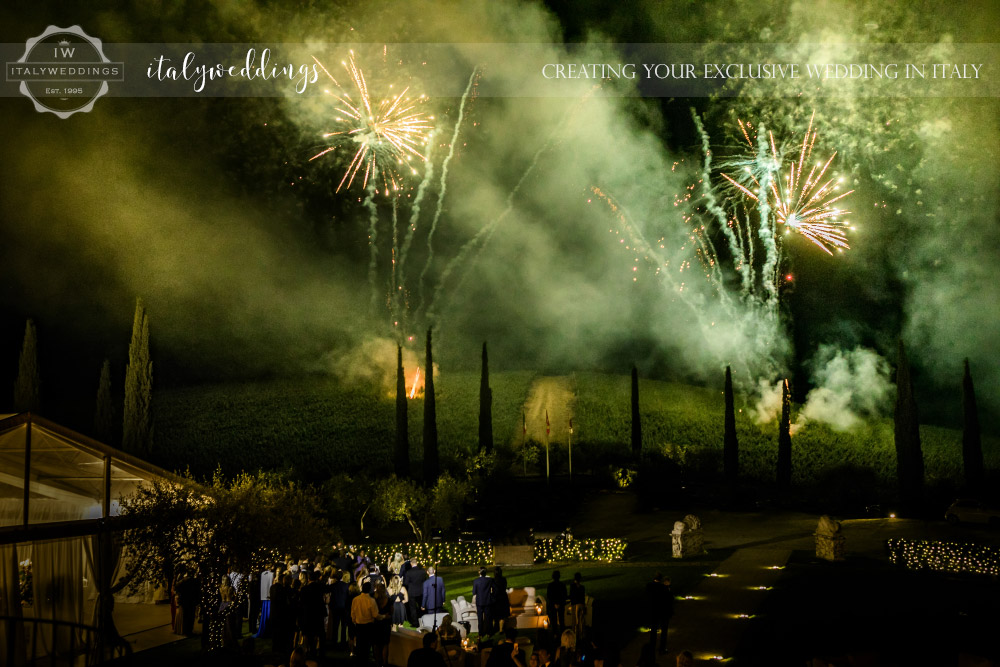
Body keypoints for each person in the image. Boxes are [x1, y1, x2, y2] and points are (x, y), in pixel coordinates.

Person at [351, 582, 380, 664]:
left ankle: (359, 659)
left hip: (359, 624)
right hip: (368, 625)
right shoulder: (371, 600)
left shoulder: (355, 599)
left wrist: (354, 620)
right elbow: (375, 614)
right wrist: (384, 617)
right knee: (367, 644)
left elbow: (353, 612)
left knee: (360, 643)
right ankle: (365, 660)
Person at [645, 573, 673, 654]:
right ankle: (662, 648)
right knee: (664, 631)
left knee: (653, 631)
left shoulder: (649, 585)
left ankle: (652, 647)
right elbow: (669, 599)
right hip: (662, 612)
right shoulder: (663, 587)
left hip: (653, 612)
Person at [174, 565, 199, 637]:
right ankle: (189, 631)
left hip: (185, 601)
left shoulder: (183, 581)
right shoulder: (194, 581)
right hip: (191, 601)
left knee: (186, 616)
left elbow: (177, 587)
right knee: (190, 617)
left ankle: (186, 631)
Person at [373, 583, 393, 667]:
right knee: (385, 644)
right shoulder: (389, 600)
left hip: (376, 624)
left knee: (376, 644)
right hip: (385, 624)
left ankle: (377, 661)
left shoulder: (374, 600)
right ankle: (385, 662)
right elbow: (391, 612)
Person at [403, 558, 427, 625]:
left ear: (411, 563)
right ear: (417, 563)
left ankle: (415, 622)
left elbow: (406, 583)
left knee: (413, 608)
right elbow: (424, 580)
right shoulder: (422, 571)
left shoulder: (409, 572)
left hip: (412, 592)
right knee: (421, 606)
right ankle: (423, 620)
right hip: (420, 591)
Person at [471, 567, 493, 635]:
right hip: (487, 601)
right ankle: (488, 632)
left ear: (480, 572)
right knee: (488, 618)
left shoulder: (476, 581)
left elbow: (474, 592)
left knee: (480, 619)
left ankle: (481, 633)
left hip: (480, 602)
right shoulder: (489, 580)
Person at [546, 571, 567, 635]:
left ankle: (555, 634)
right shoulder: (562, 585)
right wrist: (560, 603)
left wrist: (554, 603)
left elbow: (549, 596)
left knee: (554, 620)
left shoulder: (550, 585)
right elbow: (564, 595)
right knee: (561, 620)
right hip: (560, 604)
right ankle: (562, 633)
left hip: (553, 605)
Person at [490, 567, 510, 631]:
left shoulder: (493, 580)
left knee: (494, 614)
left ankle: (494, 628)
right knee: (502, 614)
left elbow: (492, 589)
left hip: (495, 598)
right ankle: (501, 629)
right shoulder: (504, 579)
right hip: (503, 598)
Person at [568, 572, 586, 641]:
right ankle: (581, 635)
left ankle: (575, 635)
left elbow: (571, 596)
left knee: (575, 621)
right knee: (581, 621)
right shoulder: (582, 587)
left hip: (575, 604)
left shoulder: (572, 586)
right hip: (581, 604)